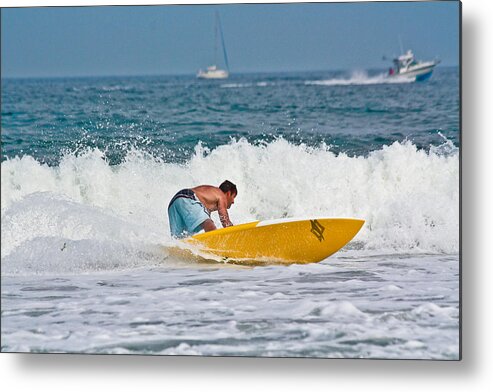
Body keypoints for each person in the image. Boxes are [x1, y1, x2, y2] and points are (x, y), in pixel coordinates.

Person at [168, 180, 237, 238]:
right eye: (233, 197)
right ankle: (215, 242)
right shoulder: (221, 195)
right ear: (228, 193)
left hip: (173, 204)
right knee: (208, 223)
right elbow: (225, 220)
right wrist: (235, 234)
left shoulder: (208, 197)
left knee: (180, 239)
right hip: (188, 197)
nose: (233, 201)